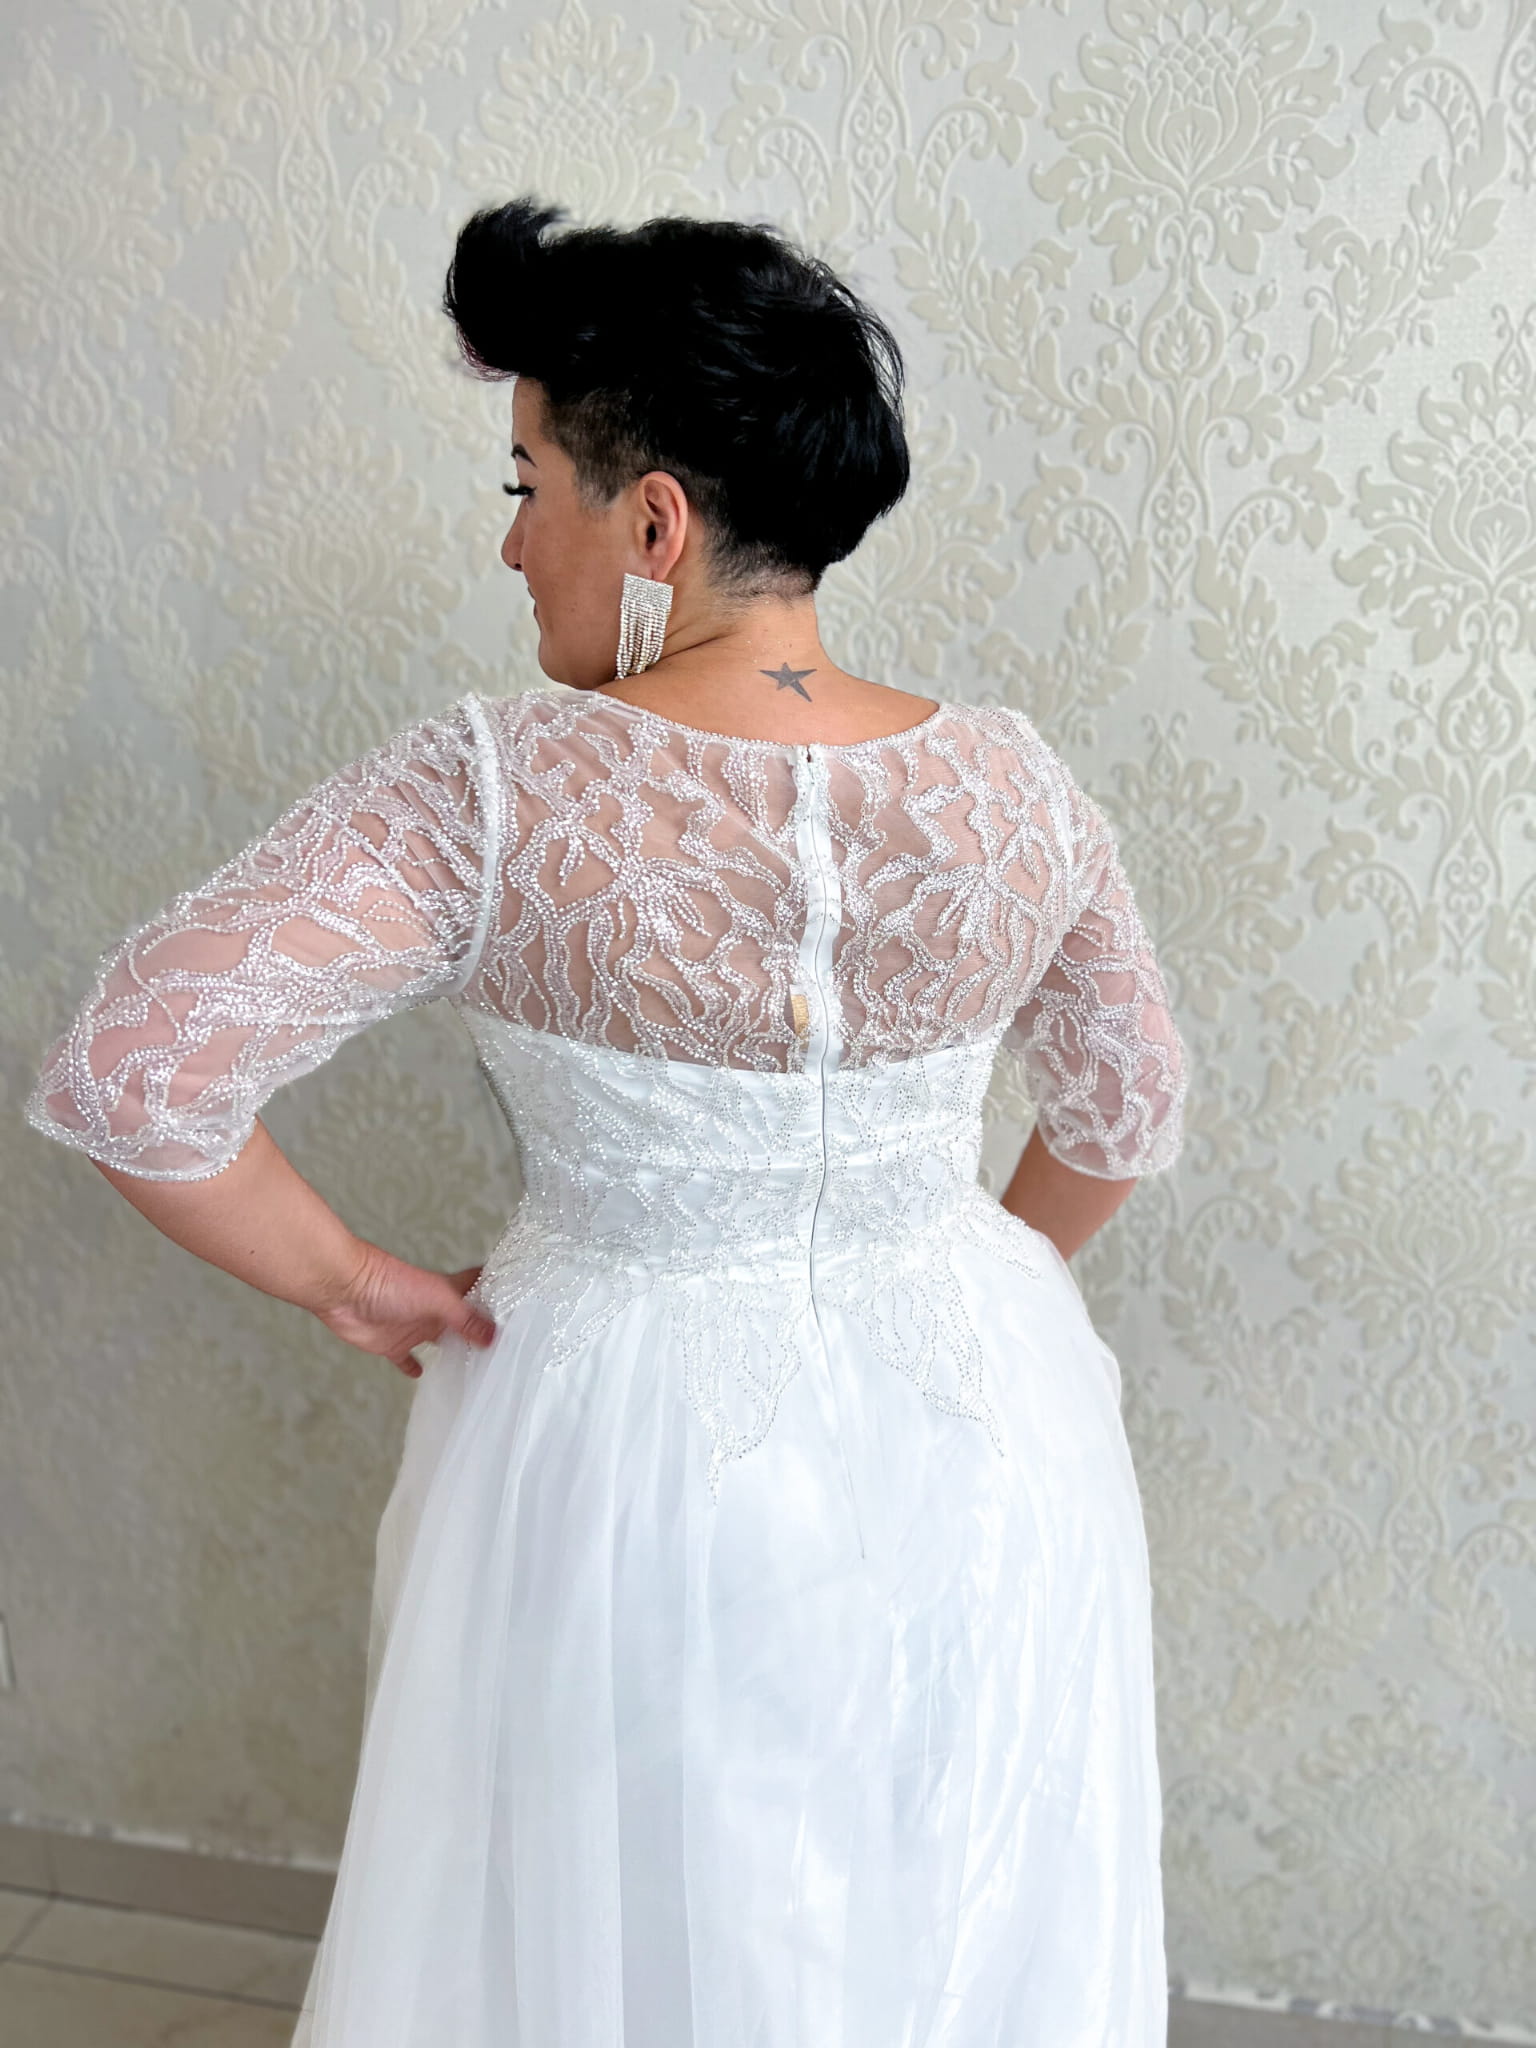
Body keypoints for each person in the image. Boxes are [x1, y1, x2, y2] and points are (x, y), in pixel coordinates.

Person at [25, 195, 1188, 2047]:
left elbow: (136, 1069)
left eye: (526, 485)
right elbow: (1127, 1107)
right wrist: (965, 1288)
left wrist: (355, 1284)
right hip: (996, 1426)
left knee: (633, 1926)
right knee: (951, 1898)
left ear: (653, 523)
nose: (511, 544)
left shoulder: (496, 790)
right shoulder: (1013, 782)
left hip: (632, 1441)